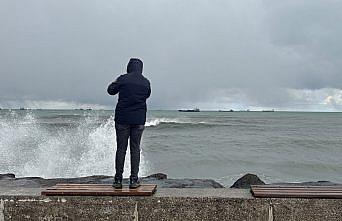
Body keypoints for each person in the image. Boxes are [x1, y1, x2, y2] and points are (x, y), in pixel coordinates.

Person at [107, 58, 151, 189]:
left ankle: (118, 180)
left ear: (129, 67)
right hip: (138, 120)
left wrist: (116, 81)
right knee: (135, 149)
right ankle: (133, 180)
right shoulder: (146, 82)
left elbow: (110, 90)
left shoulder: (123, 79)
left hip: (122, 119)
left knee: (121, 149)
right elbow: (147, 95)